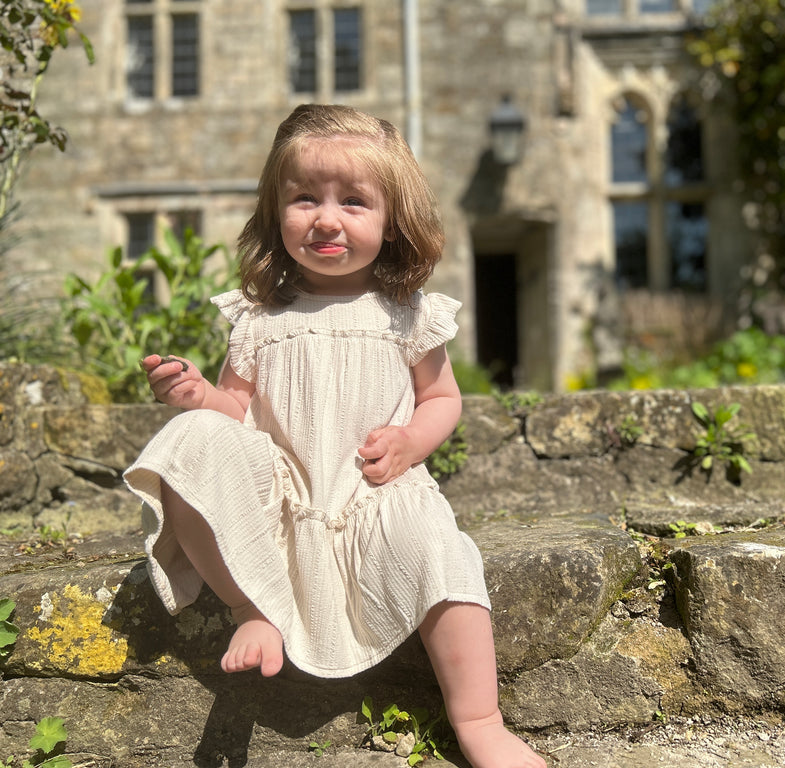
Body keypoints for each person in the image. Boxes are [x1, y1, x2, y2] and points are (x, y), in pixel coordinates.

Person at [124, 104, 546, 768]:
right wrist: (197, 396)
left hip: (375, 496)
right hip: (282, 496)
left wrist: (410, 441)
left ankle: (480, 719)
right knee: (191, 443)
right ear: (275, 213)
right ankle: (249, 607)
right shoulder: (258, 320)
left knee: (444, 555)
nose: (326, 218)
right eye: (304, 199)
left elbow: (443, 398)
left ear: (391, 222)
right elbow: (234, 412)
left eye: (353, 201)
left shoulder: (405, 314)